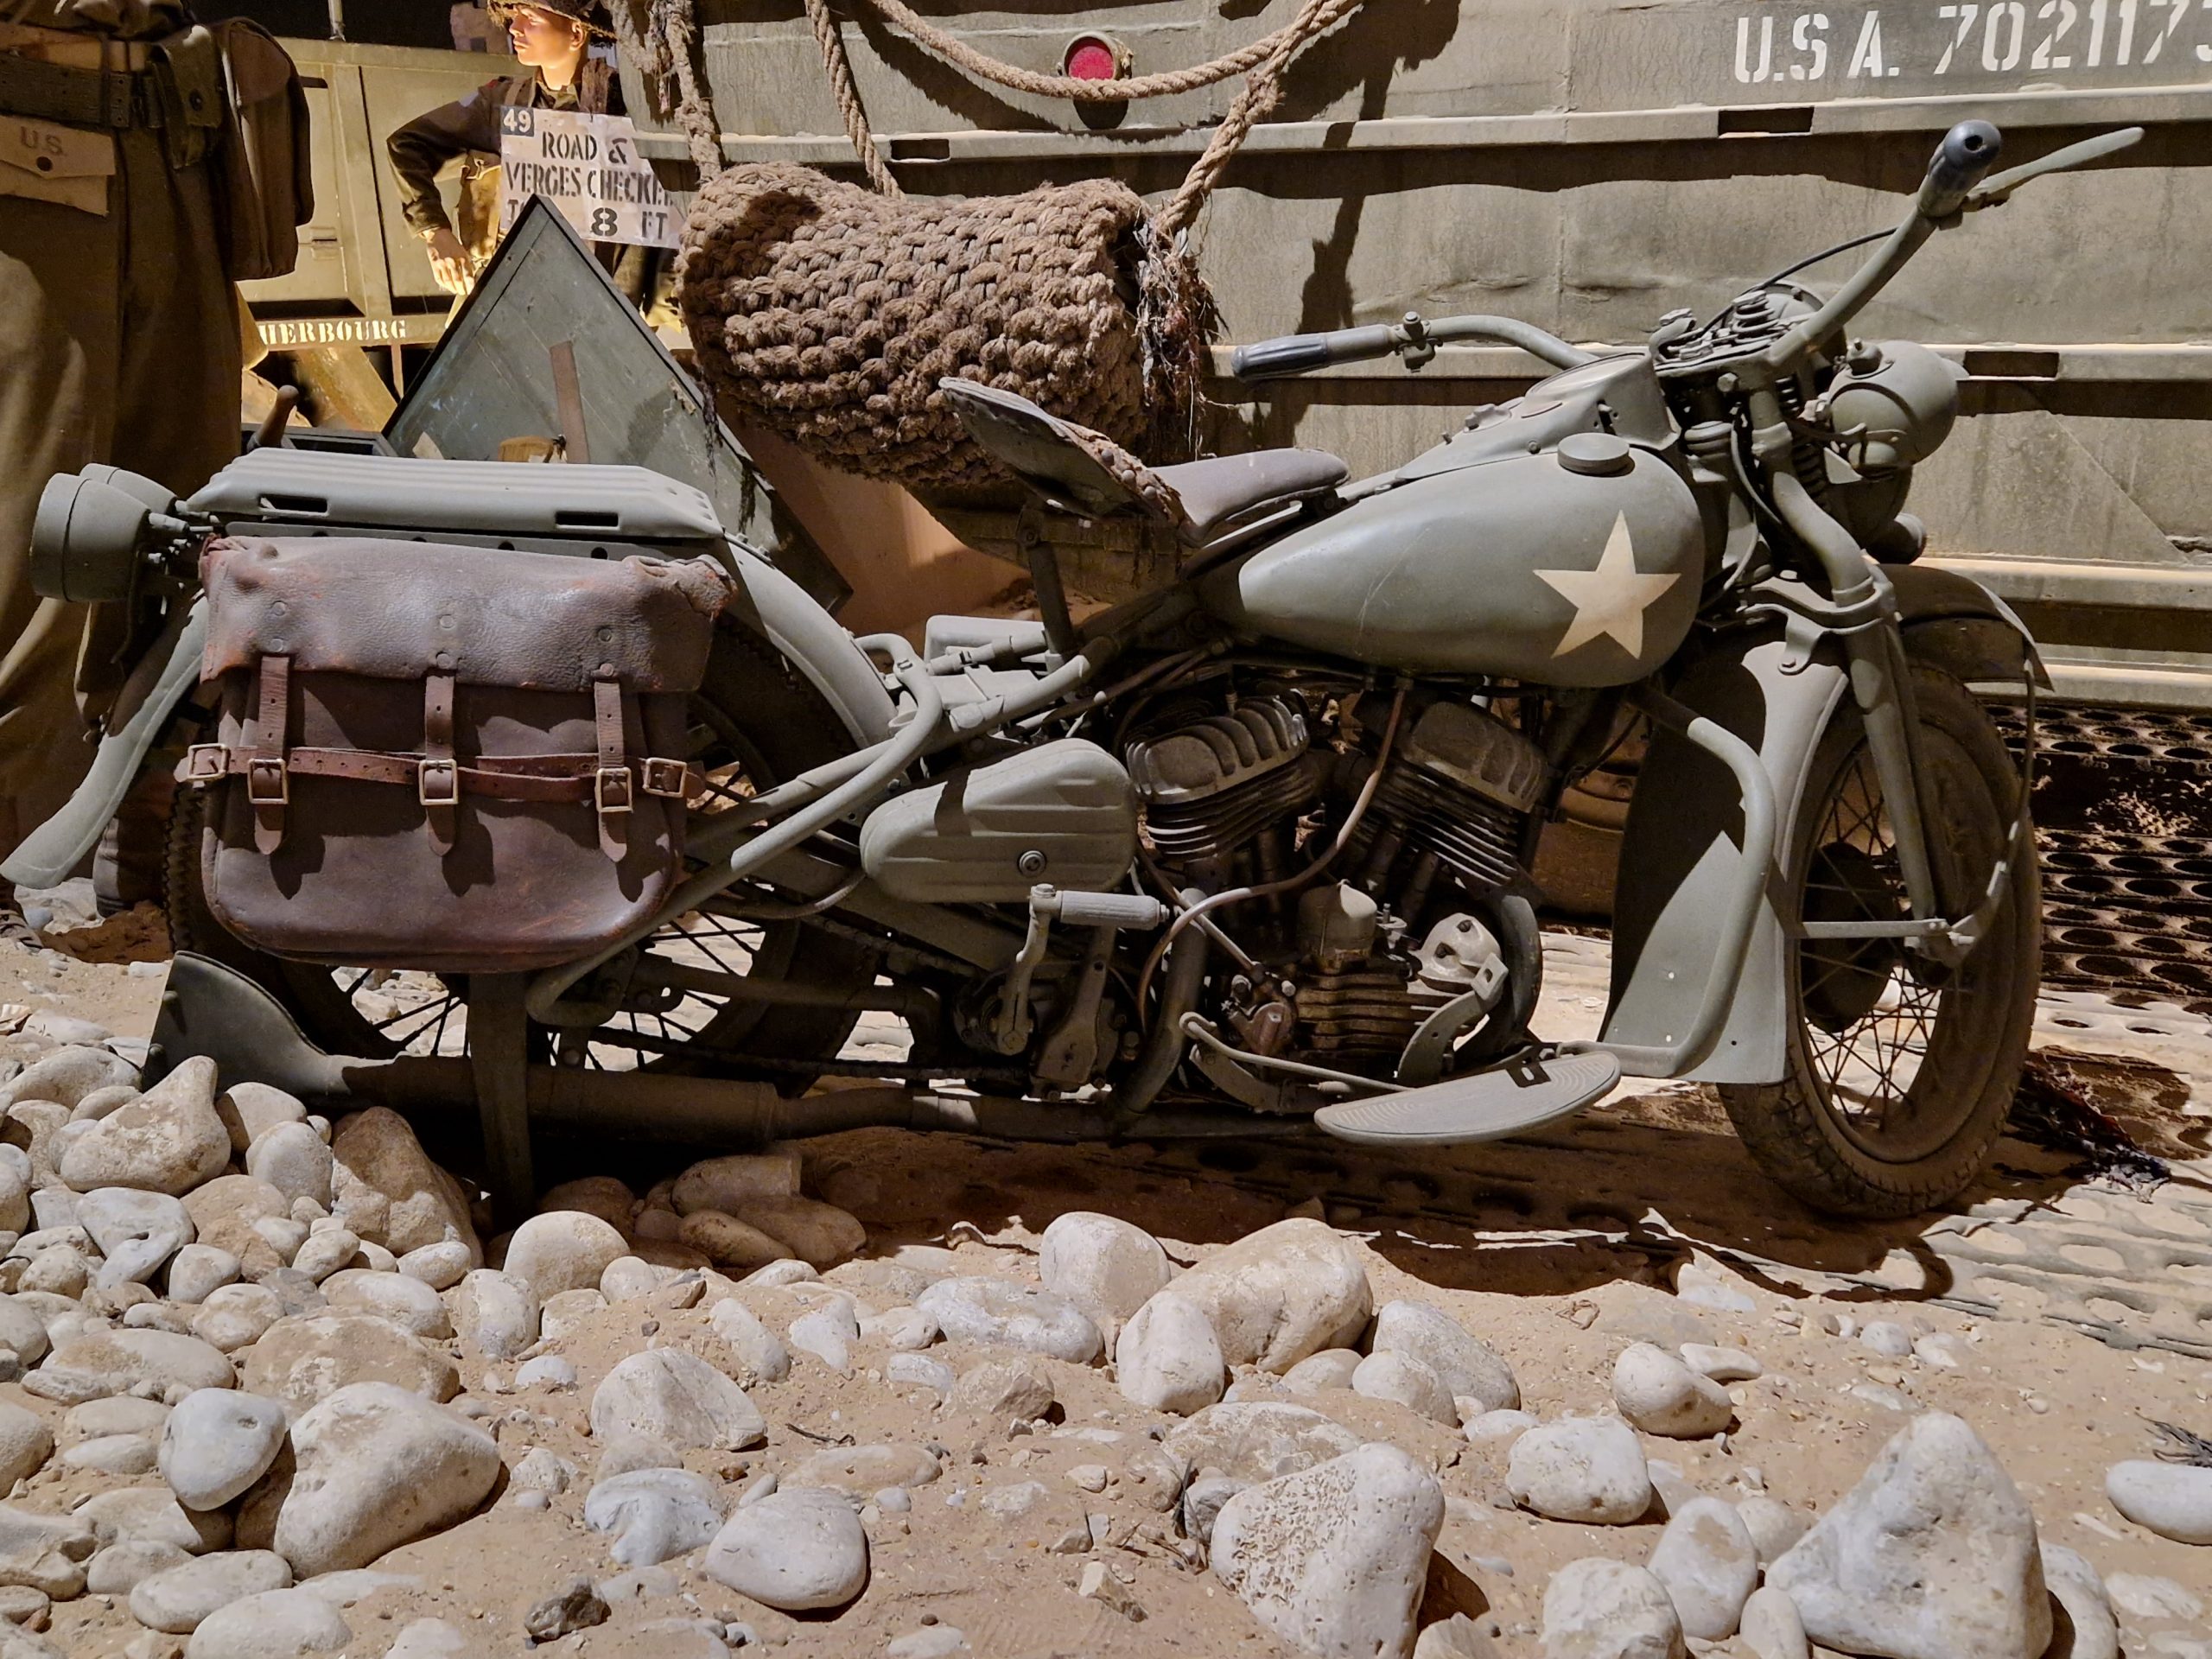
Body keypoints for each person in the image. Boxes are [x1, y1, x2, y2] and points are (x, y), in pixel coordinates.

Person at [0, 0, 241, 944]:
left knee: (188, 523)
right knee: (35, 529)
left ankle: (149, 856)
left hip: (173, 148)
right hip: (27, 141)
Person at [386, 0, 657, 306]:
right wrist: (435, 232)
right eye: (515, 16)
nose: (514, 27)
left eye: (530, 19)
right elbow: (406, 145)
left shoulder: (630, 109)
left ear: (576, 34)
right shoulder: (501, 104)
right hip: (505, 293)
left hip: (598, 302)